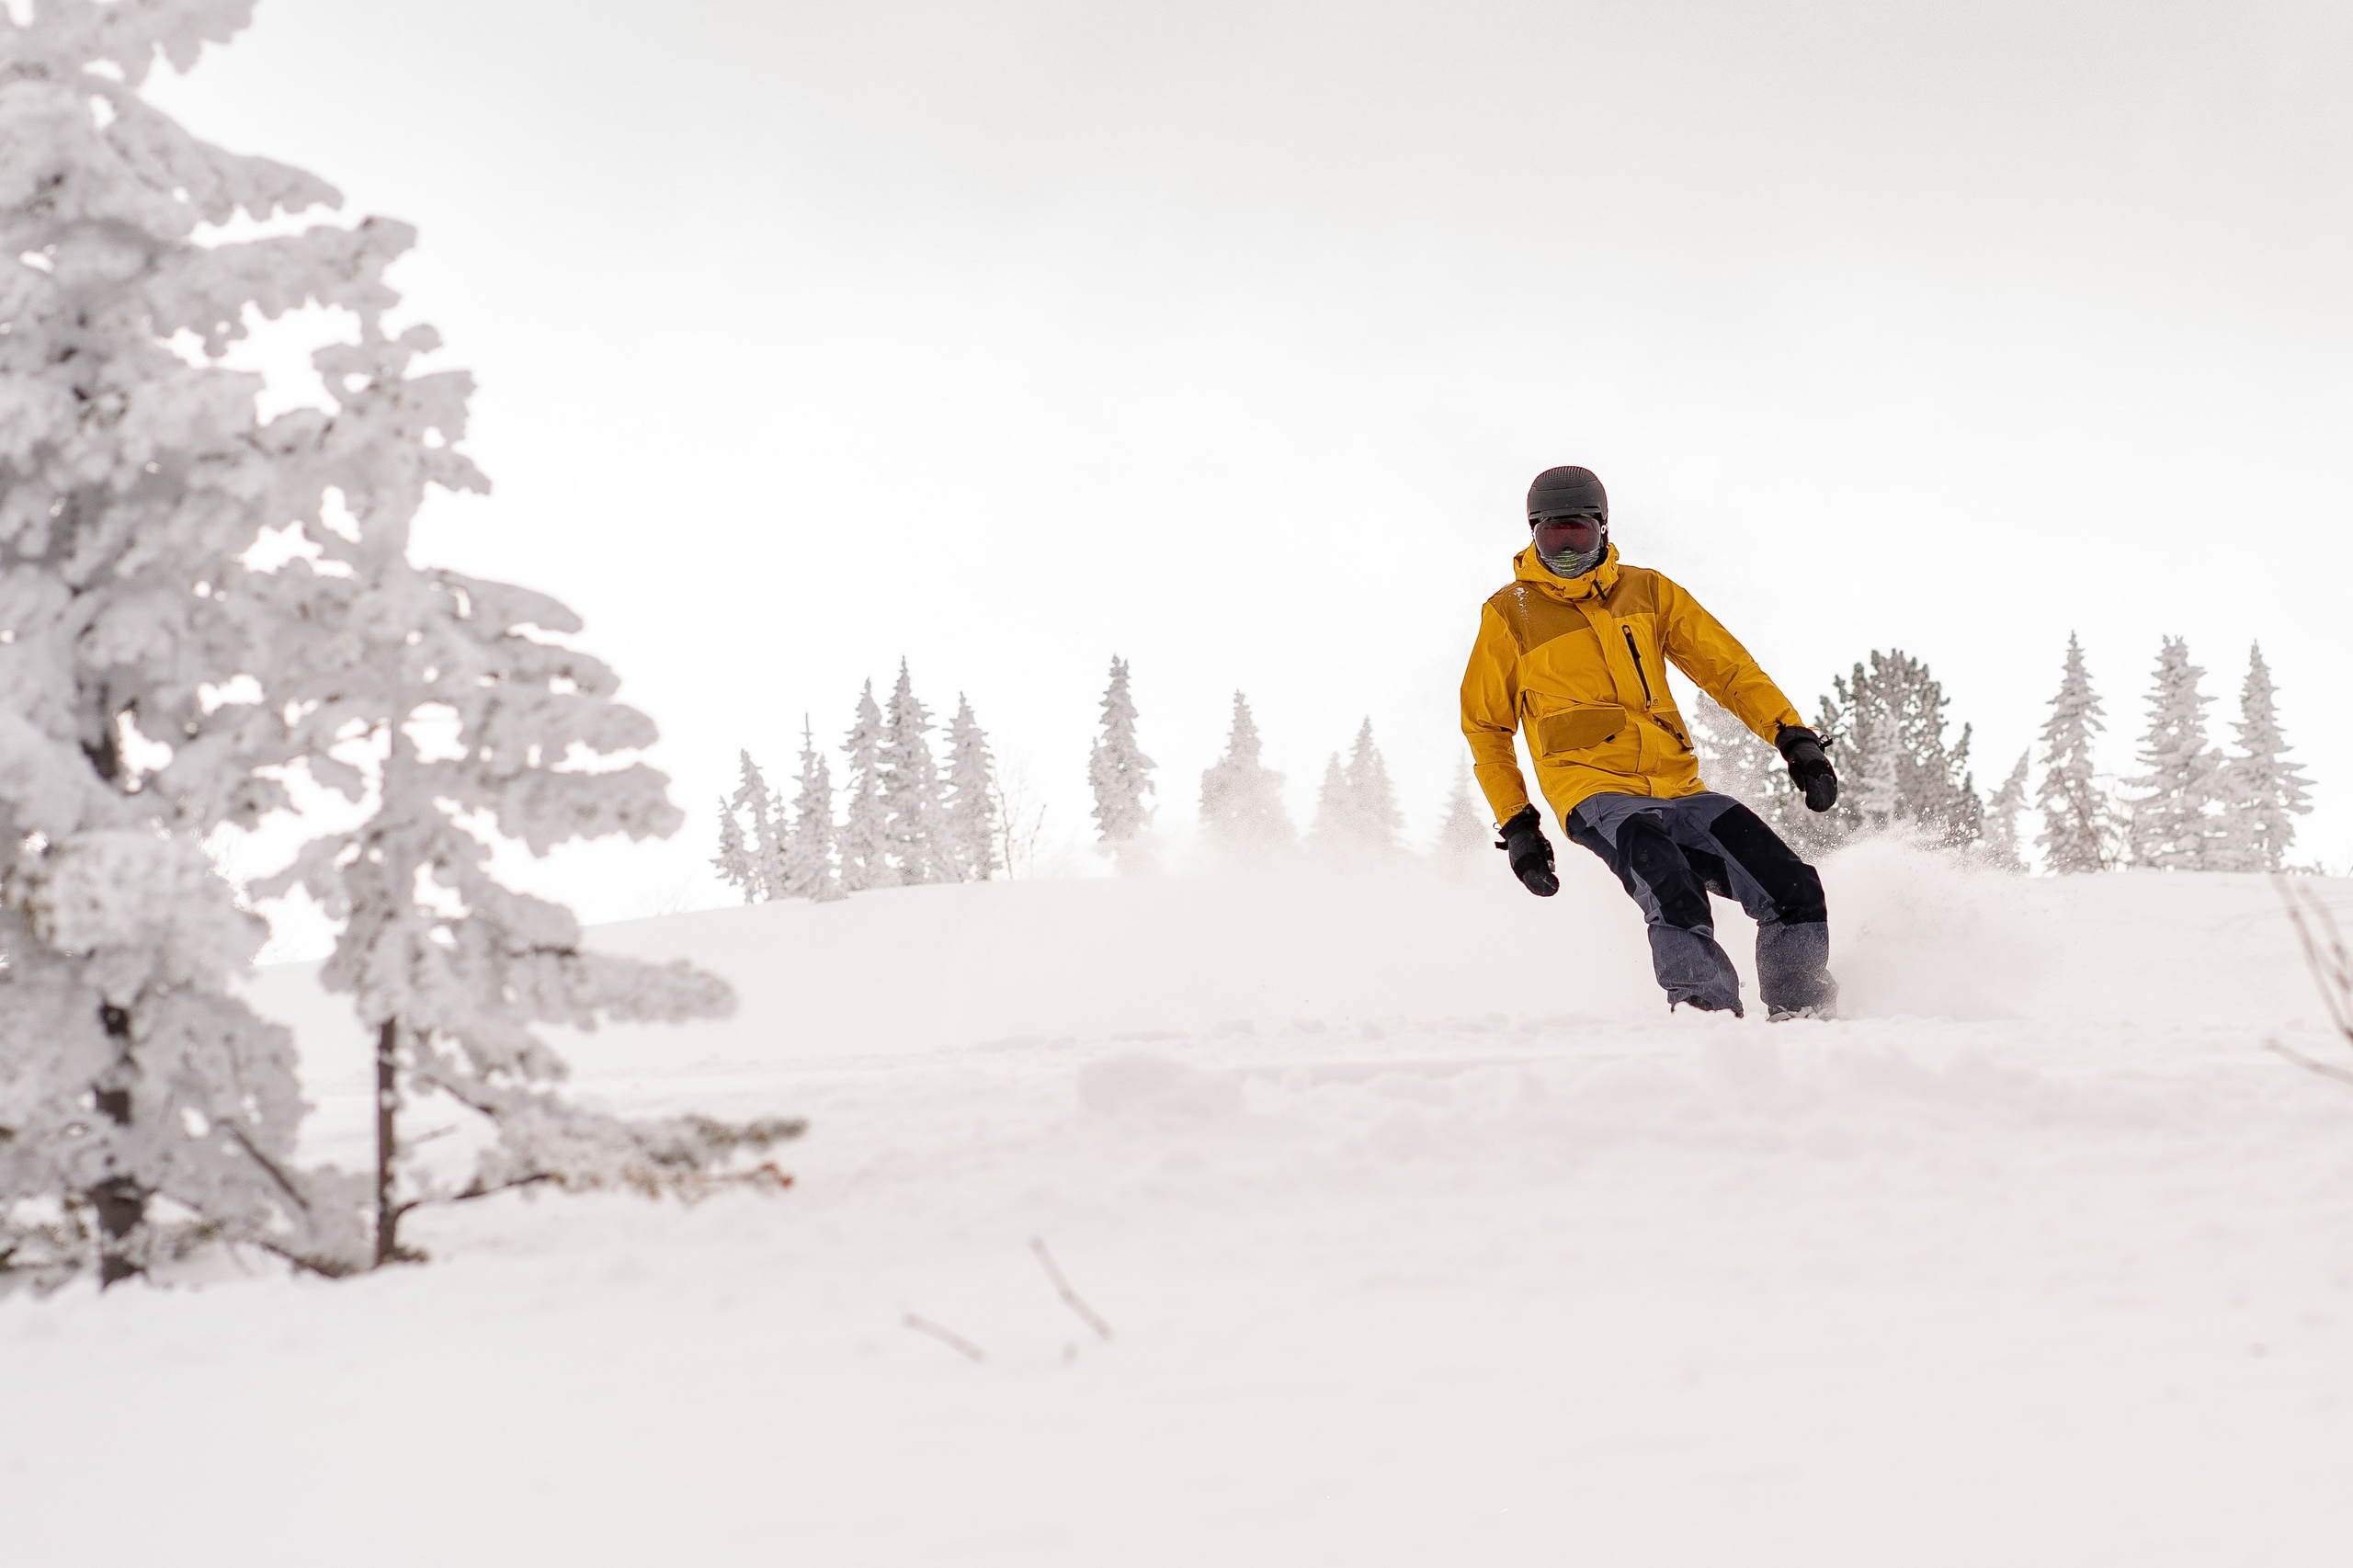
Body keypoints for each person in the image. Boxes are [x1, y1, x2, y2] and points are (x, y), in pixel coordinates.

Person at [1459, 465, 1841, 1020]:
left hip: (1679, 789)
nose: (1565, 550)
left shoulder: (1648, 592)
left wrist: (1792, 737)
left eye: (1578, 536)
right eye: (1551, 537)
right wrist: (1518, 824)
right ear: (1533, 533)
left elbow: (1728, 670)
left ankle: (1803, 1012)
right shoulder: (1509, 614)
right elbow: (1487, 728)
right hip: (1594, 792)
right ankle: (1704, 1016)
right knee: (1670, 885)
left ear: (1603, 529)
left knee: (1792, 884)